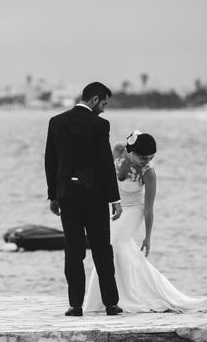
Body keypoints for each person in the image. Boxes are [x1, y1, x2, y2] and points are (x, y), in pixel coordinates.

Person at [84, 131, 207, 313]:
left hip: (134, 209)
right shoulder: (118, 150)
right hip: (115, 206)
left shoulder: (149, 173)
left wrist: (148, 237)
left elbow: (149, 208)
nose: (147, 161)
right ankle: (107, 298)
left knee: (115, 243)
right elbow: (103, 176)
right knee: (112, 247)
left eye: (150, 158)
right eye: (143, 157)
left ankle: (127, 298)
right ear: (132, 151)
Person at [44, 82, 123, 316]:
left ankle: (75, 305)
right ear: (95, 99)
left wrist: (53, 195)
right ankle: (111, 304)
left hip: (67, 193)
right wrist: (114, 199)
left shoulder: (56, 122)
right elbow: (105, 163)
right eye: (104, 103)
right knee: (101, 248)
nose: (105, 109)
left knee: (73, 249)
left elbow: (50, 160)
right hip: (94, 195)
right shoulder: (100, 125)